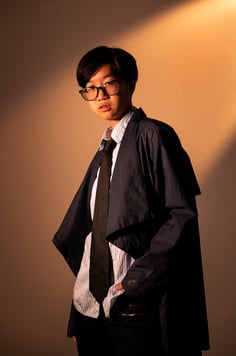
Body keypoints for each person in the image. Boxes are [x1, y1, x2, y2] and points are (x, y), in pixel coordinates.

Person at [52, 45, 210, 356]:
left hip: (134, 304)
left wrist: (135, 283)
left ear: (129, 84)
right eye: (90, 89)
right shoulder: (104, 150)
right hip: (91, 309)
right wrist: (79, 310)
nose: (100, 95)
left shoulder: (154, 135)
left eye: (108, 84)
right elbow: (91, 236)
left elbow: (180, 214)